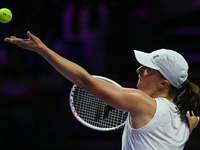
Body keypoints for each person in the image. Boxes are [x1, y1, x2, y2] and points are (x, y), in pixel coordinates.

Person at [4, 31, 200, 150]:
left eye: (147, 69)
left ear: (163, 84)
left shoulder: (142, 102)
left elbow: (85, 81)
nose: (138, 70)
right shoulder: (189, 119)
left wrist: (43, 50)